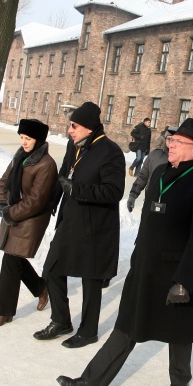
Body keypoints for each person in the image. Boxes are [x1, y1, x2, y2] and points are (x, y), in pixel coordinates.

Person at [56, 119, 193, 386]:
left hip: (175, 272)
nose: (170, 145)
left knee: (179, 330)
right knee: (127, 325)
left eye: (178, 143)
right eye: (171, 140)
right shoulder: (159, 172)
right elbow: (149, 219)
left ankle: (180, 379)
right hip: (145, 265)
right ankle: (91, 384)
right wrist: (136, 255)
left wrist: (184, 280)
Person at [35, 102, 126, 347]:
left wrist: (78, 189)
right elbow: (64, 173)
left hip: (95, 226)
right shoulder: (73, 145)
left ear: (88, 127)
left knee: (91, 280)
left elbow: (115, 190)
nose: (69, 130)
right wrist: (51, 201)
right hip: (70, 220)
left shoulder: (110, 151)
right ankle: (61, 320)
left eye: (74, 125)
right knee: (52, 269)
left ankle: (88, 331)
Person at [0, 119, 57, 327]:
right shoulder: (20, 156)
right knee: (14, 260)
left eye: (28, 138)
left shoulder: (46, 164)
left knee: (10, 260)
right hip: (14, 216)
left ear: (39, 139)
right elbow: (4, 182)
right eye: (22, 138)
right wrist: (0, 202)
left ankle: (3, 312)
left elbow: (35, 201)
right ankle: (41, 287)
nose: (24, 142)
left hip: (30, 220)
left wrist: (10, 213)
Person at [126, 126, 176, 212]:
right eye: (169, 139)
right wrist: (133, 194)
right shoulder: (155, 155)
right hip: (150, 202)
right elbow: (143, 176)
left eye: (175, 140)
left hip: (172, 208)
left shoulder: (183, 160)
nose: (171, 143)